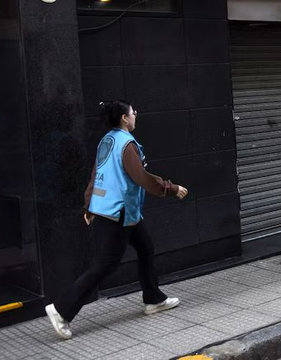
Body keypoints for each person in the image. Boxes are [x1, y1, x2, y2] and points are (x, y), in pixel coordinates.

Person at [45, 100, 189, 339]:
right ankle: (61, 310)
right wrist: (171, 188)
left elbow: (96, 173)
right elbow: (141, 177)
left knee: (145, 248)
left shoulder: (107, 140)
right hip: (118, 211)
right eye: (133, 112)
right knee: (106, 265)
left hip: (116, 210)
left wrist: (89, 205)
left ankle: (153, 299)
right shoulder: (126, 144)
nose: (135, 115)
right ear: (124, 118)